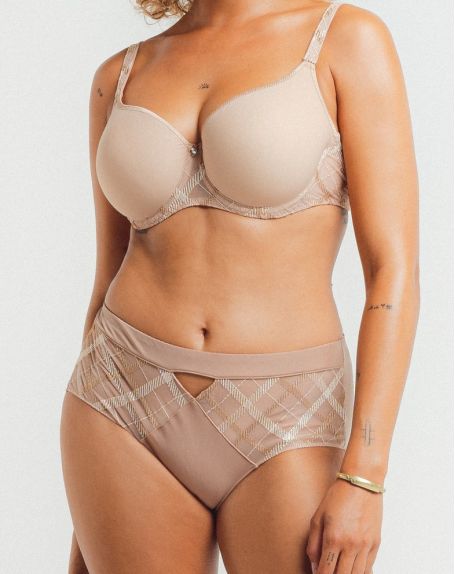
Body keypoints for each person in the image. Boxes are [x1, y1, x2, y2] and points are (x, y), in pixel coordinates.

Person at [59, 0, 420, 572]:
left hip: (289, 412)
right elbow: (108, 273)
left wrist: (365, 476)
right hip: (118, 398)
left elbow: (391, 272)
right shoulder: (119, 74)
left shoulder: (344, 39)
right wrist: (91, 514)